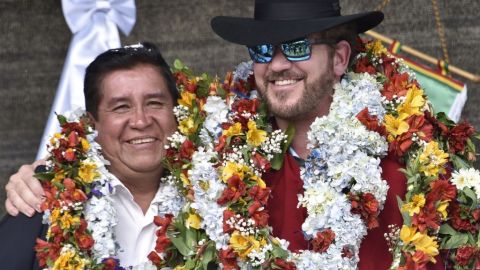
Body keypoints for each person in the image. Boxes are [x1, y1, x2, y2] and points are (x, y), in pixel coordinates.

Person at [5, 1, 446, 268]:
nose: (276, 64)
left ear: (339, 59)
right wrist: (43, 177)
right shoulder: (217, 160)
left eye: (296, 46)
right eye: (262, 50)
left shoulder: (413, 170)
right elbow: (129, 149)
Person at [0, 42, 179, 268]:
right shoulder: (46, 197)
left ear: (177, 112)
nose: (141, 121)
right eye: (121, 107)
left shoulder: (218, 190)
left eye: (154, 103)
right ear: (93, 123)